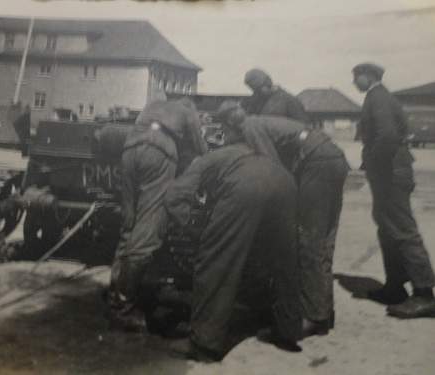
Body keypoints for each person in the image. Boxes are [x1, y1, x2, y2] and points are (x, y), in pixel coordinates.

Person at [165, 102, 302, 361]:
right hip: (284, 183)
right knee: (284, 261)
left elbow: (174, 197)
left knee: (215, 263)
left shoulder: (208, 158)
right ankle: (288, 330)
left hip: (246, 188)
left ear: (224, 135)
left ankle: (204, 343)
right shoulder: (255, 150)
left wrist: (196, 231)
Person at [218, 101, 349, 337]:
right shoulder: (260, 121)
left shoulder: (250, 127)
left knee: (308, 240)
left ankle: (314, 318)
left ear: (230, 123)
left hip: (316, 163)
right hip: (332, 158)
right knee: (324, 240)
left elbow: (274, 168)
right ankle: (323, 311)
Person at [108, 100, 207, 330]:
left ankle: (116, 296)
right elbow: (201, 151)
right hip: (158, 154)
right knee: (147, 231)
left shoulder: (153, 106)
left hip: (129, 149)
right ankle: (125, 309)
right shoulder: (188, 111)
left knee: (129, 225)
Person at [352, 63, 435, 318]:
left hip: (391, 173)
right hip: (388, 172)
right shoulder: (378, 97)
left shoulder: (378, 98)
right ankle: (395, 286)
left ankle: (424, 295)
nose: (354, 81)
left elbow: (387, 136)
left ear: (370, 76)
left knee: (402, 229)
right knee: (387, 227)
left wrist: (374, 161)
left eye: (357, 76)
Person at [242, 68, 309, 123]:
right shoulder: (254, 102)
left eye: (258, 88)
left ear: (267, 83)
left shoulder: (289, 100)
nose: (256, 93)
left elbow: (303, 126)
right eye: (254, 89)